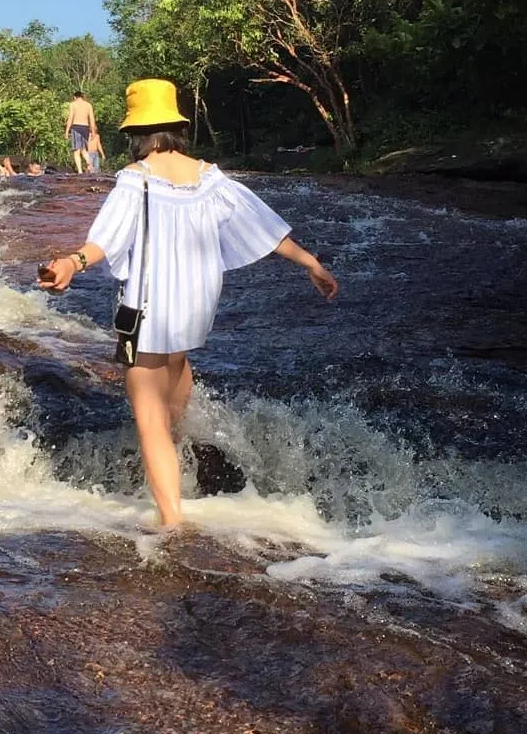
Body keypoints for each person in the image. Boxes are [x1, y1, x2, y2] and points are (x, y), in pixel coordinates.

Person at [38, 79, 338, 528]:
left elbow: (102, 241)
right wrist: (312, 263)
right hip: (193, 311)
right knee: (174, 379)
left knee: (149, 421)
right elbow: (265, 230)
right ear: (177, 126)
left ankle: (172, 522)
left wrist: (70, 263)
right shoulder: (211, 179)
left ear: (136, 133)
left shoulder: (135, 181)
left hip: (146, 312)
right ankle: (188, 465)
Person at [64, 91, 96, 174]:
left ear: (75, 97)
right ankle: (90, 164)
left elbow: (70, 117)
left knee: (76, 151)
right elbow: (92, 119)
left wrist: (67, 131)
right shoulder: (88, 105)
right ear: (83, 97)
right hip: (85, 128)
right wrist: (93, 131)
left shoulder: (73, 104)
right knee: (84, 150)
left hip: (76, 127)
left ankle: (80, 171)